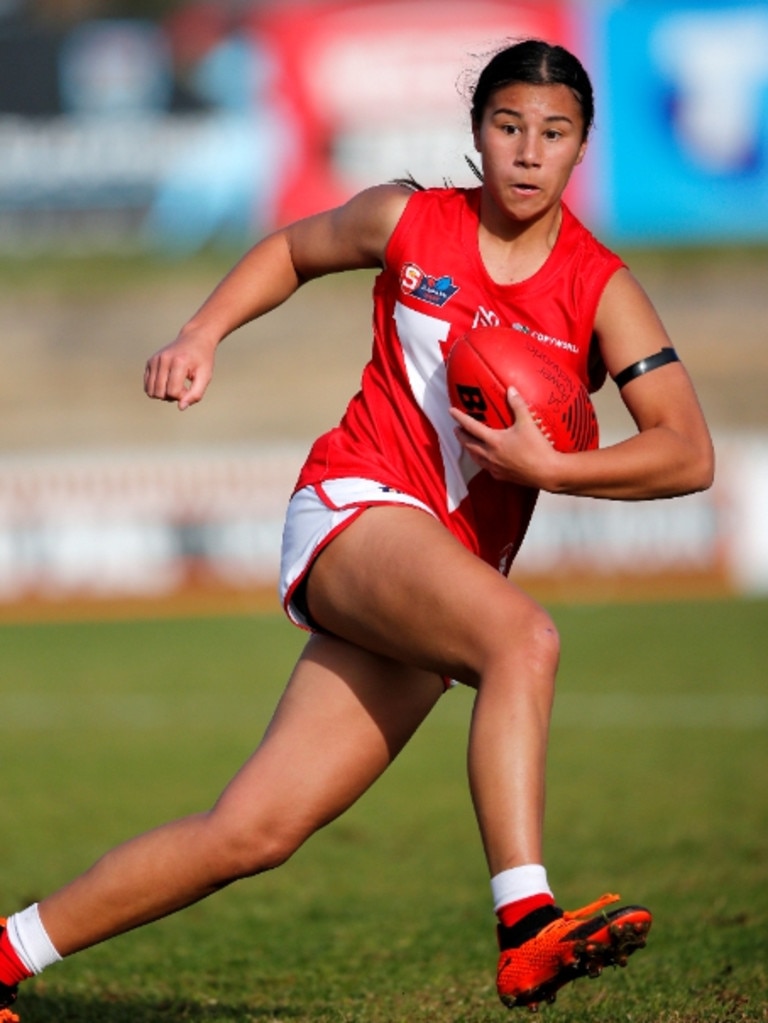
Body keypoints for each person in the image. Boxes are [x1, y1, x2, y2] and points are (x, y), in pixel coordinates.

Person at [0, 39, 714, 1018]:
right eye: (507, 126)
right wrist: (200, 333)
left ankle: (4, 955)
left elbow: (688, 452)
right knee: (523, 638)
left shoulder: (601, 290)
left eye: (553, 133)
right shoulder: (409, 220)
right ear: (476, 133)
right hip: (355, 508)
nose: (527, 151)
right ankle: (524, 924)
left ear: (582, 146)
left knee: (250, 833)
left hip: (440, 570)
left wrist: (558, 470)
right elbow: (293, 249)